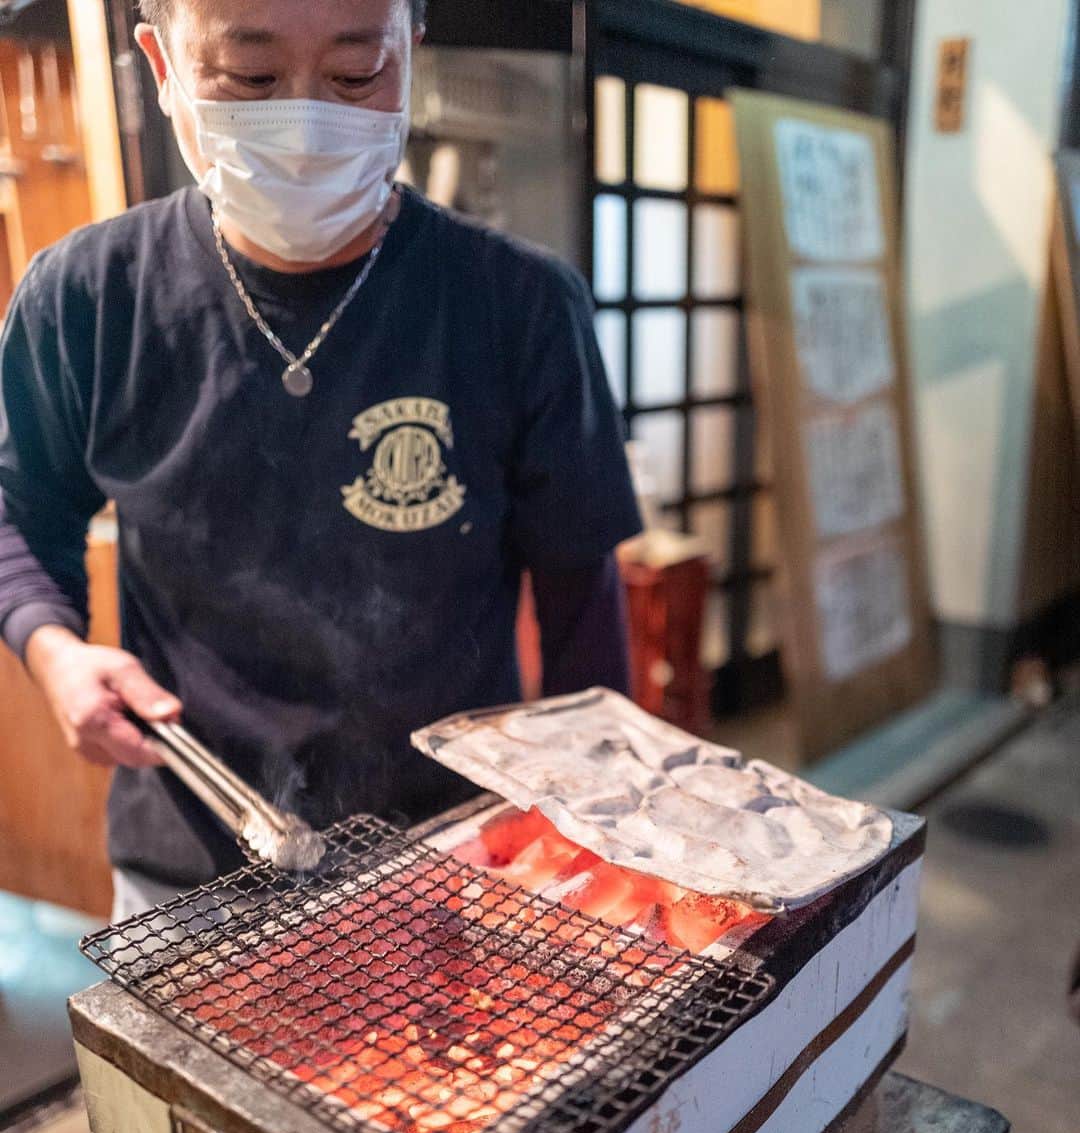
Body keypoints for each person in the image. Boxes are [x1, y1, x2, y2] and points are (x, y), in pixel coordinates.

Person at [0, 0, 640, 920]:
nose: (305, 124)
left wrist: (595, 834)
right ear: (162, 64)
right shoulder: (87, 299)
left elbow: (583, 599)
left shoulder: (521, 305)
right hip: (189, 868)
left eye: (355, 75)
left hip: (457, 860)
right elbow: (20, 509)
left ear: (411, 56)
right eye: (251, 78)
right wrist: (54, 649)